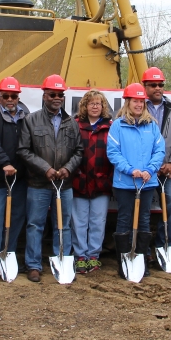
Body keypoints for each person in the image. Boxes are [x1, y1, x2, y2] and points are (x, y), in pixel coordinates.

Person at [17, 74, 83, 283]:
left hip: (64, 184)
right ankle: (34, 265)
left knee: (63, 225)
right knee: (35, 225)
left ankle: (62, 259)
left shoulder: (71, 123)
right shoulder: (31, 120)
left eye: (60, 95)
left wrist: (67, 169)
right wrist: (45, 168)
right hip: (38, 183)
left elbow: (79, 151)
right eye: (52, 94)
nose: (57, 98)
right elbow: (23, 150)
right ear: (44, 95)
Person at [108, 84, 165, 278]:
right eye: (135, 101)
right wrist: (130, 170)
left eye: (141, 101)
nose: (139, 104)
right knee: (124, 220)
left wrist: (150, 170)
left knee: (144, 220)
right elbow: (113, 153)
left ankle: (141, 259)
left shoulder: (152, 126)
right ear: (128, 102)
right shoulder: (117, 125)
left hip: (147, 183)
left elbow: (159, 151)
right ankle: (123, 262)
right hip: (125, 183)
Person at [0, 76, 31, 278]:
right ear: (0, 97)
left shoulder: (25, 117)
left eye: (14, 96)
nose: (10, 99)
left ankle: (7, 254)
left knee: (18, 216)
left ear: (18, 97)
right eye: (6, 96)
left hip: (20, 178)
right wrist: (4, 162)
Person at [142, 67, 171, 264]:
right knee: (141, 207)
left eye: (161, 84)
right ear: (145, 87)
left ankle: (163, 243)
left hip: (167, 170)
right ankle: (142, 247)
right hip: (143, 171)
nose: (158, 88)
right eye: (153, 85)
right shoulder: (137, 107)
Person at [71, 89, 113, 274]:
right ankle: (80, 256)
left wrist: (109, 178)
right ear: (85, 106)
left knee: (98, 221)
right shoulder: (75, 125)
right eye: (91, 103)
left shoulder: (111, 127)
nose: (95, 106)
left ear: (103, 107)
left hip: (101, 182)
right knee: (79, 221)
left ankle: (94, 255)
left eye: (99, 103)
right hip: (79, 180)